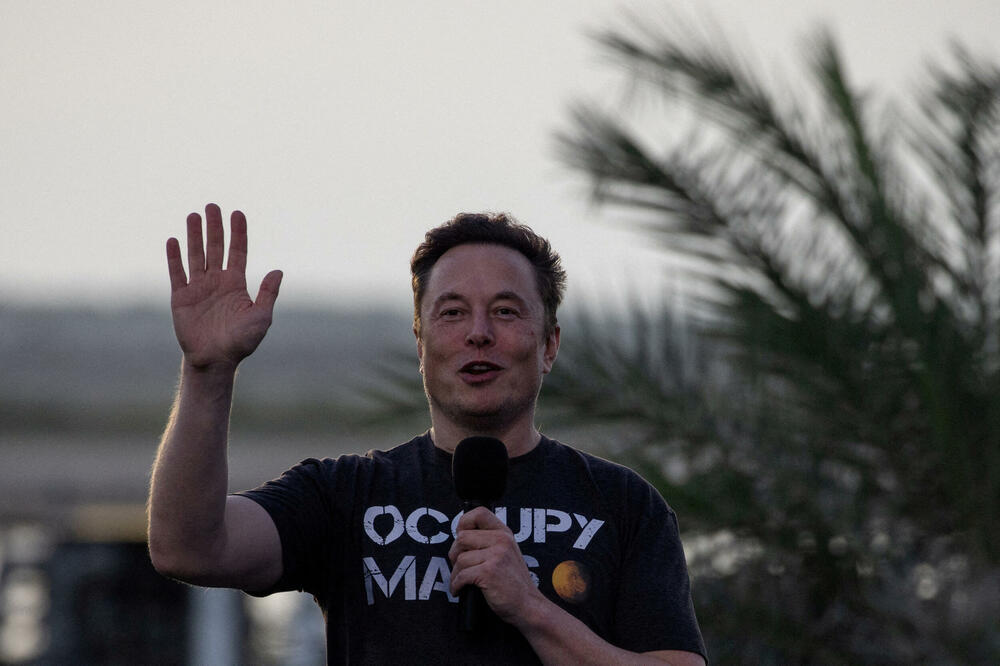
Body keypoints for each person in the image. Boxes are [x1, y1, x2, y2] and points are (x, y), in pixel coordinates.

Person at [148, 203, 707, 665]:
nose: (479, 334)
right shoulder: (345, 495)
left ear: (549, 345)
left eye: (506, 312)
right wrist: (207, 372)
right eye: (452, 313)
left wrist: (531, 608)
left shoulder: (622, 505)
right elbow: (186, 547)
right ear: (420, 344)